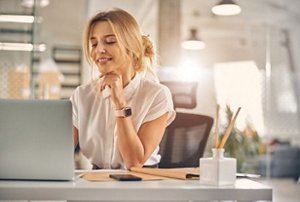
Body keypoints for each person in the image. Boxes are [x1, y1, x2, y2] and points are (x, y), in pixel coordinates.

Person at [70, 8, 176, 170]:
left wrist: (120, 103)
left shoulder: (157, 95)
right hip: (96, 182)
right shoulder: (82, 95)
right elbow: (58, 152)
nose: (99, 50)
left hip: (141, 184)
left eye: (110, 41)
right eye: (94, 44)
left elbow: (134, 163)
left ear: (131, 45)